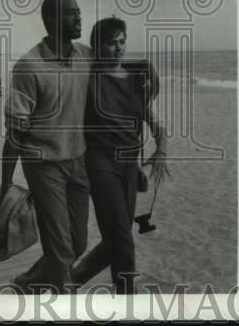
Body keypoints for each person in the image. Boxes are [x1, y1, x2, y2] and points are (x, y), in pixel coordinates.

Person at [0, 0, 91, 292]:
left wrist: (147, 76)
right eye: (70, 13)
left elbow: (118, 81)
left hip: (79, 162)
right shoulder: (29, 66)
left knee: (77, 244)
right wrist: (5, 185)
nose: (78, 18)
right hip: (43, 167)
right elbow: (15, 132)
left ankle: (26, 282)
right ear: (51, 19)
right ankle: (63, 304)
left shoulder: (86, 56)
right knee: (61, 249)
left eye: (78, 12)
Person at [72, 16, 168, 294]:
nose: (119, 48)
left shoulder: (137, 80)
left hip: (129, 164)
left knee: (118, 235)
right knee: (121, 236)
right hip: (98, 162)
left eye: (122, 41)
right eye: (111, 43)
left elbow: (155, 123)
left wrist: (161, 150)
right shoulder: (86, 80)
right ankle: (128, 298)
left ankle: (71, 281)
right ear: (97, 47)